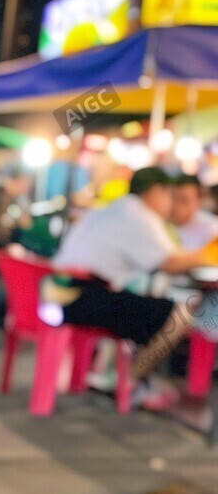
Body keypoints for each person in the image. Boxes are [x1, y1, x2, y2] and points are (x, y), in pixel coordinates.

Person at [47, 167, 218, 408]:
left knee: (144, 304)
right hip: (81, 298)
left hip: (55, 292)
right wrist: (209, 255)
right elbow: (170, 262)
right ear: (158, 192)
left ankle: (121, 378)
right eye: (170, 196)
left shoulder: (111, 210)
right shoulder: (139, 215)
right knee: (179, 314)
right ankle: (130, 382)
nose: (171, 205)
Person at [170, 173, 218, 252]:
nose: (176, 205)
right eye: (173, 199)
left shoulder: (212, 228)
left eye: (184, 200)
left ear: (199, 201)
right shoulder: (161, 224)